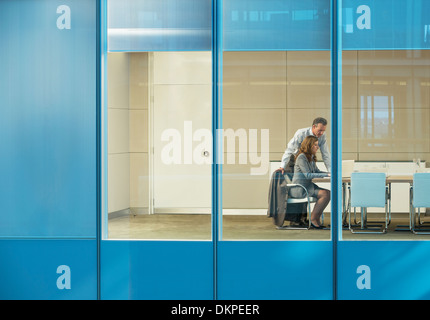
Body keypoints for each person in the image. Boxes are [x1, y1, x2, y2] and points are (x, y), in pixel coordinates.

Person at [289, 135, 330, 229]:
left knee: (328, 193)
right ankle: (314, 219)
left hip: (308, 186)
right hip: (299, 188)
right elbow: (308, 175)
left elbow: (317, 171)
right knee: (325, 194)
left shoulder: (310, 157)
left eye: (318, 145)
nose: (318, 147)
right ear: (309, 145)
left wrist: (329, 173)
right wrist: (327, 175)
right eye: (315, 145)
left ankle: (315, 218)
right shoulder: (301, 157)